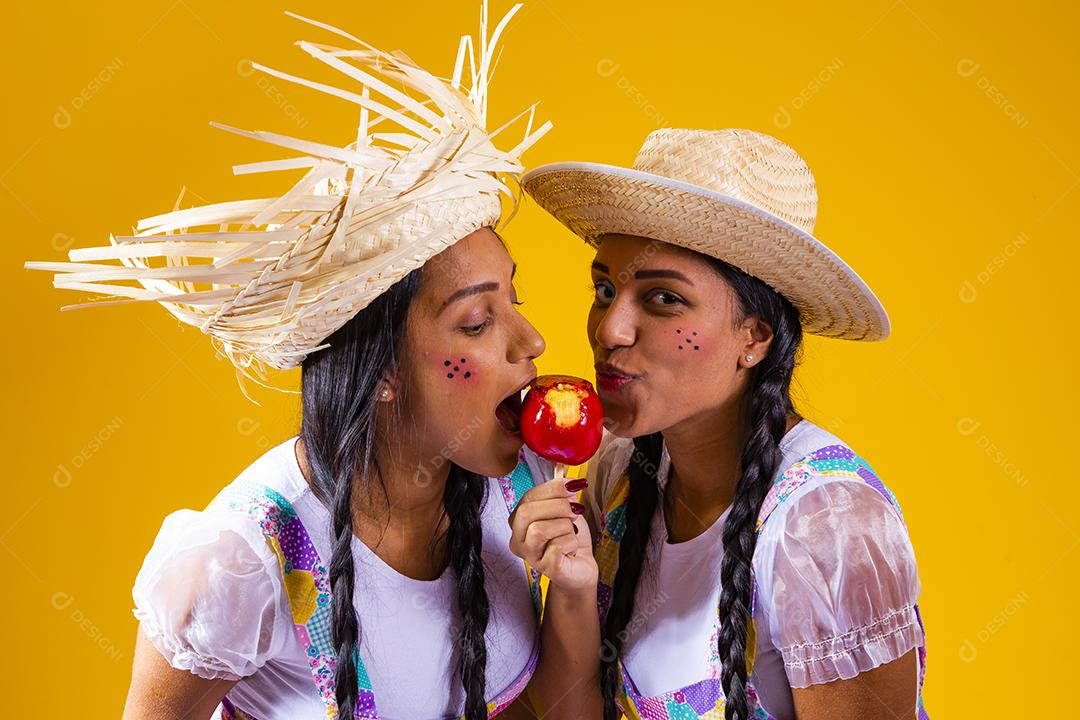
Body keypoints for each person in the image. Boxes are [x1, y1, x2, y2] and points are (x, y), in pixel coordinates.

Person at [25, 4, 564, 718]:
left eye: (515, 299)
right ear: (381, 373)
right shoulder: (237, 568)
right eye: (476, 320)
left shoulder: (523, 483)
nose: (532, 342)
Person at [510, 128, 930, 720]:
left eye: (662, 300)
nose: (609, 330)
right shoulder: (618, 471)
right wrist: (574, 590)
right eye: (605, 289)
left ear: (754, 337)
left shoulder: (829, 529)